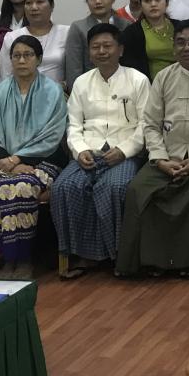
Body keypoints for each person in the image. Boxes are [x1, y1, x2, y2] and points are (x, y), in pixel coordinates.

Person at [116, 20, 189, 277]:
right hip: (166, 156)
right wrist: (160, 159)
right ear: (173, 48)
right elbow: (150, 124)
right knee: (138, 189)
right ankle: (150, 261)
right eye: (180, 42)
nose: (187, 48)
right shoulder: (163, 77)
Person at [52, 24, 150, 278]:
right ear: (89, 52)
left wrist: (124, 150)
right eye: (95, 47)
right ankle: (81, 255)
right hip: (90, 151)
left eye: (107, 46)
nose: (102, 51)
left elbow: (146, 125)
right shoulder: (82, 82)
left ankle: (118, 256)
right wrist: (80, 150)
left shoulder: (138, 80)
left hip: (125, 153)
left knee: (114, 187)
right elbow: (73, 125)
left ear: (121, 50)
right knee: (64, 187)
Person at [0, 35, 70, 278]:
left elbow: (53, 137)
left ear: (39, 59)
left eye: (28, 55)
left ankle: (25, 259)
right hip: (2, 161)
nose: (21, 60)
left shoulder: (52, 91)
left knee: (20, 187)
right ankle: (6, 260)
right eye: (16, 56)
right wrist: (10, 162)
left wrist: (18, 160)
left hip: (45, 161)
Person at [0, 0, 71, 88]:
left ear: (52, 5)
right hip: (21, 94)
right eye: (28, 3)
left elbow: (74, 71)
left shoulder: (66, 33)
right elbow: (6, 75)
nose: (34, 7)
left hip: (58, 93)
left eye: (40, 2)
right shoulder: (12, 37)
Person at [64, 0, 130, 87]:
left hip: (124, 86)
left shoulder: (126, 25)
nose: (98, 1)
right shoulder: (78, 28)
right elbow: (73, 69)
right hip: (90, 89)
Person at [119, 0, 176, 79]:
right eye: (147, 1)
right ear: (141, 5)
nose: (153, 4)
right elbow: (129, 68)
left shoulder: (179, 27)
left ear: (167, 2)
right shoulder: (131, 33)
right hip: (148, 84)